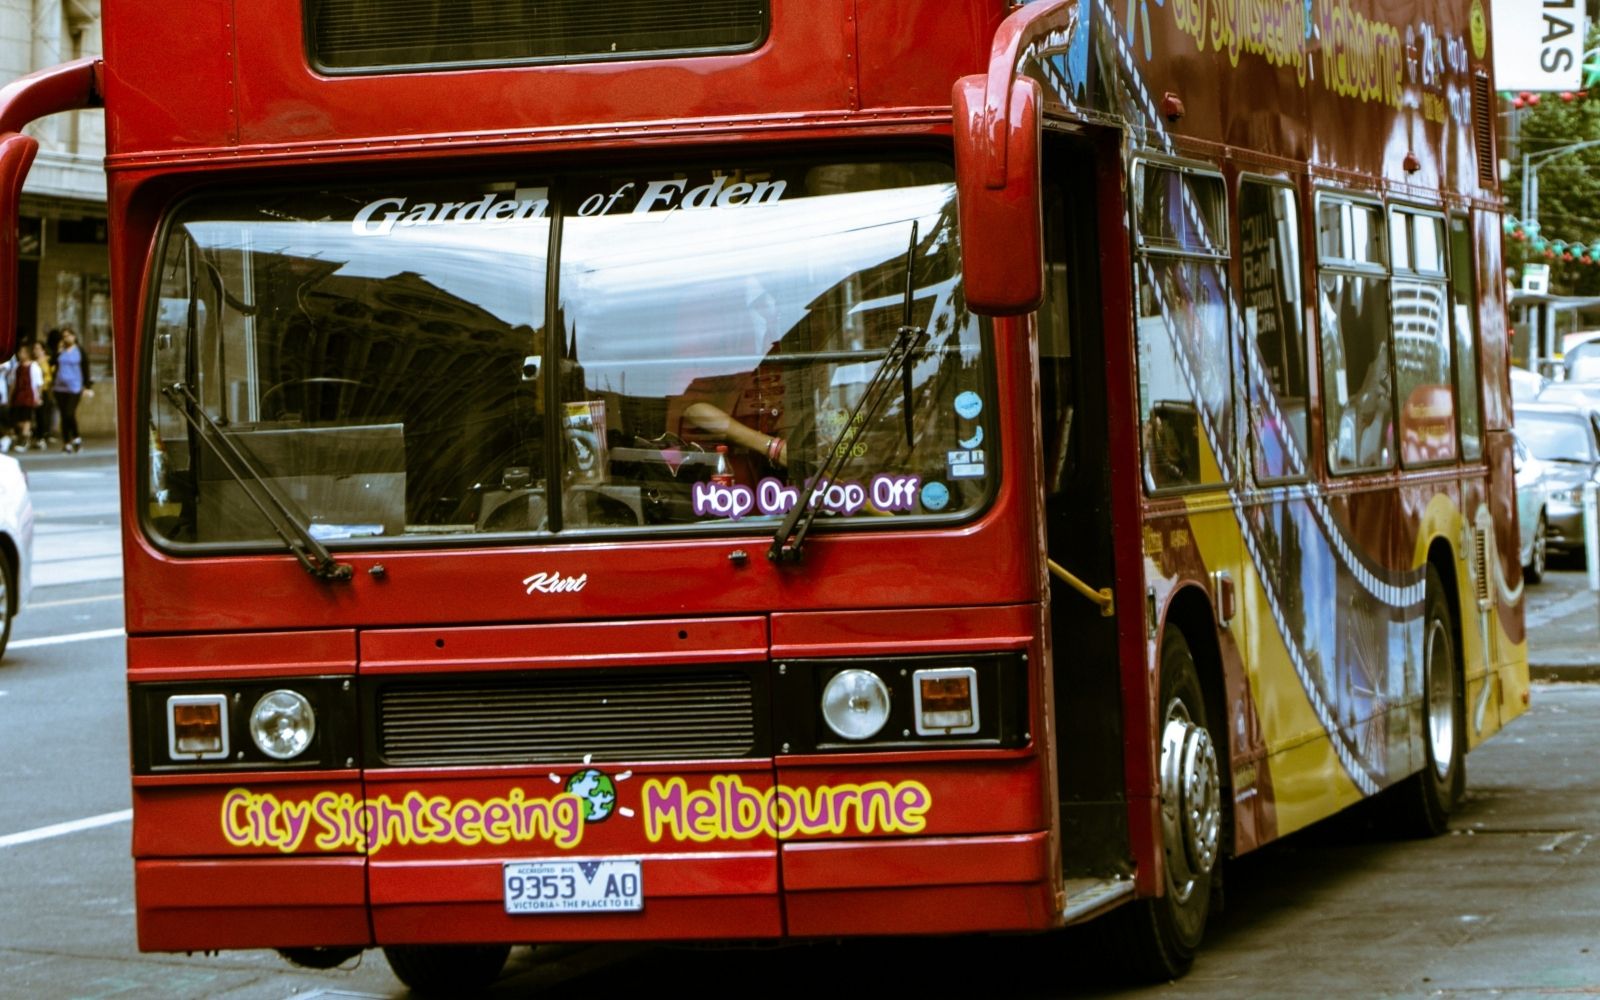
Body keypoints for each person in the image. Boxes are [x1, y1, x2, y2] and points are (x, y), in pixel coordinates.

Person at [52, 327, 92, 453]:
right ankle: (66, 442)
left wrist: (87, 386)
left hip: (75, 387)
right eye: (64, 336)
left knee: (69, 413)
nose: (66, 338)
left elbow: (86, 368)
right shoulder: (60, 350)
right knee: (64, 415)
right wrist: (58, 351)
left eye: (68, 335)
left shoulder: (79, 351)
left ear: (74, 337)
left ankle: (76, 437)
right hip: (59, 388)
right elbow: (52, 363)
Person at [8, 343, 41, 450]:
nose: (19, 354)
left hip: (28, 395)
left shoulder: (34, 366)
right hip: (18, 395)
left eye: (22, 352)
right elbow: (13, 382)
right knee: (18, 419)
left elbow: (38, 384)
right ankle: (27, 433)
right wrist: (10, 396)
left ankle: (24, 440)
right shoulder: (17, 367)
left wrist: (37, 397)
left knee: (26, 418)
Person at [29, 342, 54, 449]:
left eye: (38, 348)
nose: (36, 350)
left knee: (42, 414)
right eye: (34, 348)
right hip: (33, 390)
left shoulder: (47, 361)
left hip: (44, 390)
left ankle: (42, 436)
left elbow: (50, 375)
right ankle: (38, 436)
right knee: (36, 415)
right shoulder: (32, 362)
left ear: (43, 350)